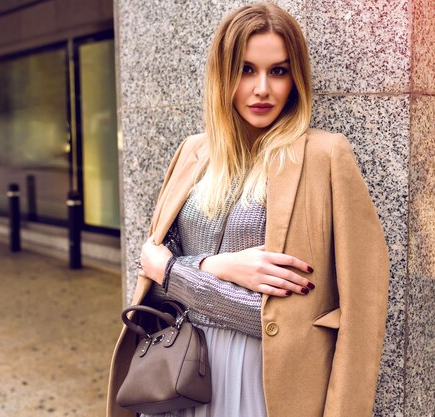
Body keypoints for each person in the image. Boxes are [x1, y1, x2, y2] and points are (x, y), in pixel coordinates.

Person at [106, 3, 389, 417]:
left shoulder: (325, 157)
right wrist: (214, 267)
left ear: (296, 79)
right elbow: (154, 277)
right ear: (222, 75)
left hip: (269, 380)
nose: (262, 89)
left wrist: (176, 270)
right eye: (245, 69)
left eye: (278, 71)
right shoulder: (193, 152)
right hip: (177, 369)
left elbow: (313, 317)